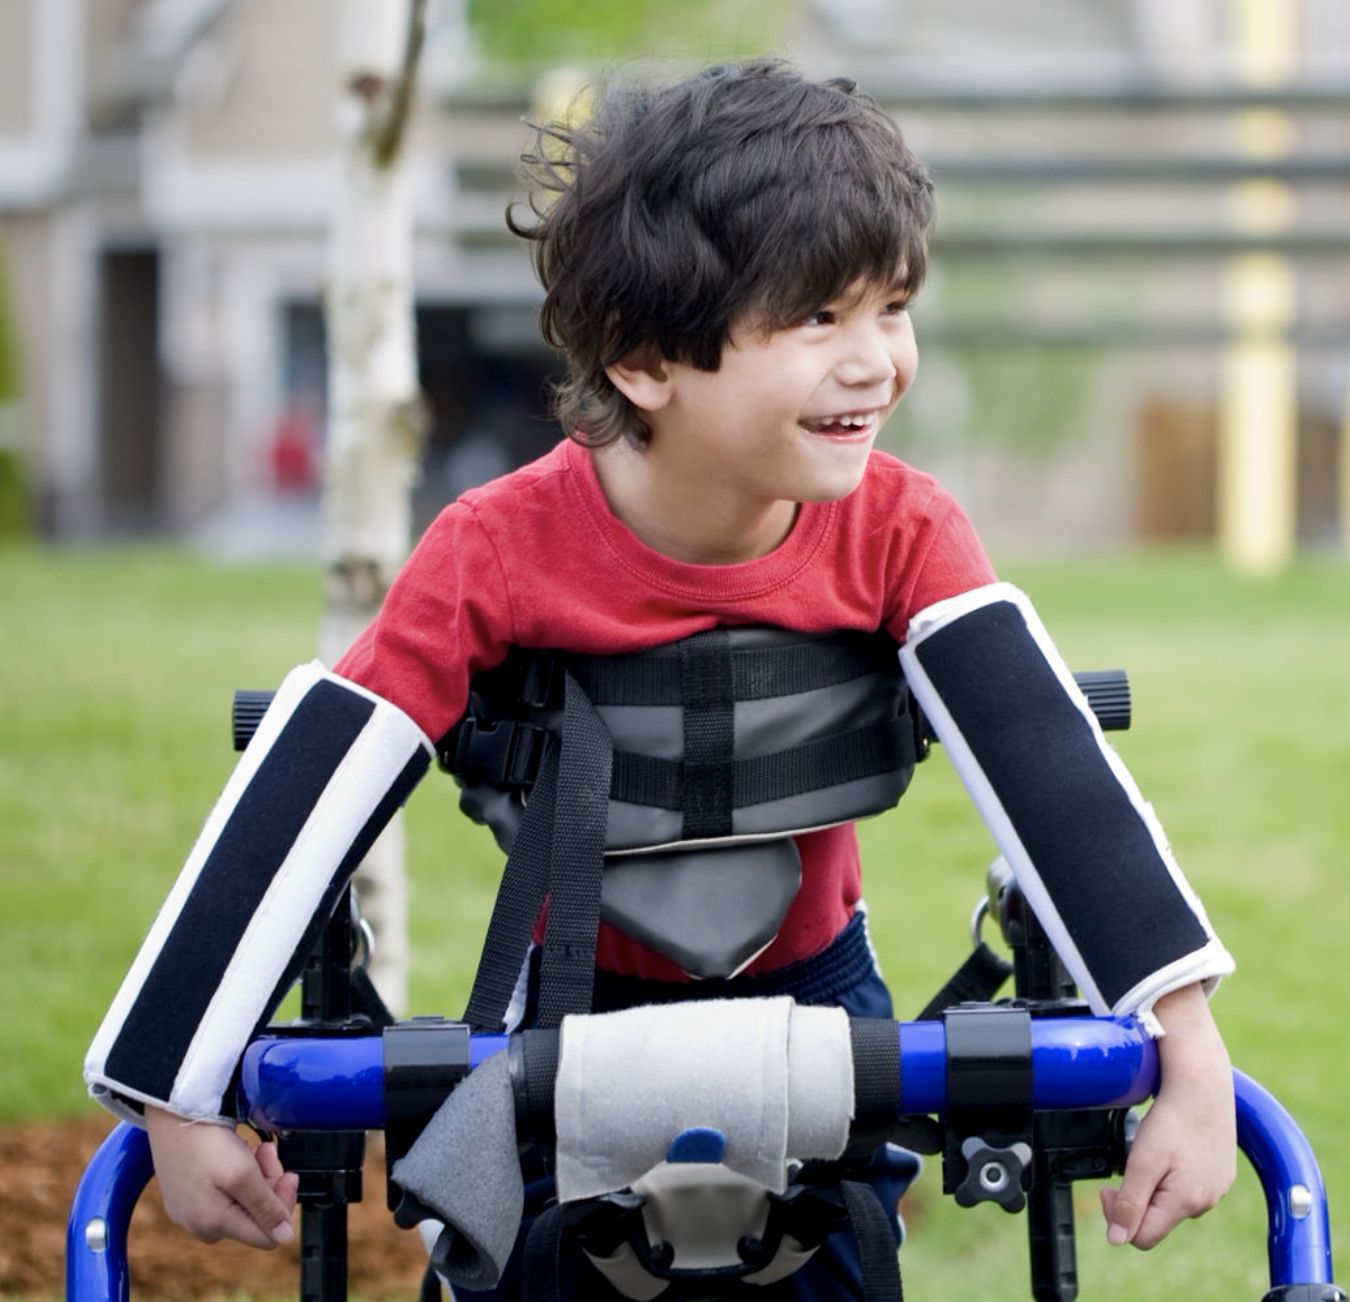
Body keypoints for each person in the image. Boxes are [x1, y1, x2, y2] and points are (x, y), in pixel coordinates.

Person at [85, 58, 1236, 1298]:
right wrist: (174, 1090)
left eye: (891, 306)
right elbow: (316, 777)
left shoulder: (904, 528)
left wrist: (1190, 1045)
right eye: (818, 320)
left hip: (818, 1006)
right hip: (567, 1015)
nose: (877, 362)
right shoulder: (495, 546)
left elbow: (1051, 771)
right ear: (643, 360)